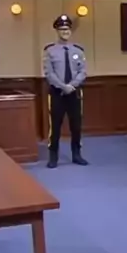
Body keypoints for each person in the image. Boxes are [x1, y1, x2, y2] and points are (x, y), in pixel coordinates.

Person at [43, 15, 88, 169]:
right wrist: (63, 86)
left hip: (74, 93)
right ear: (57, 31)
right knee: (55, 126)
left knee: (76, 125)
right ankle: (53, 155)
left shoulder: (78, 50)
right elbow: (49, 73)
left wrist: (72, 85)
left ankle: (77, 154)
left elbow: (83, 71)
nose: (65, 32)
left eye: (67, 29)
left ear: (70, 31)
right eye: (62, 29)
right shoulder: (50, 51)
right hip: (57, 93)